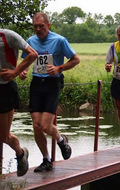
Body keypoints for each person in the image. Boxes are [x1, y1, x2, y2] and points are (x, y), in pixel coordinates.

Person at [21, 12, 80, 172]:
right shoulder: (31, 41)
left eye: (41, 26)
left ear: (48, 25)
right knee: (36, 125)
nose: (38, 29)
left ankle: (61, 141)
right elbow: (26, 60)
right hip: (36, 83)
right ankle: (46, 159)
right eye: (35, 26)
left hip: (52, 83)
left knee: (46, 125)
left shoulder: (59, 40)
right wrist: (24, 70)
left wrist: (58, 68)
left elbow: (76, 59)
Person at [0, 29, 38, 176]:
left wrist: (15, 72)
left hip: (4, 89)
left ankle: (21, 153)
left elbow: (33, 54)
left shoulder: (8, 36)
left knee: (3, 136)